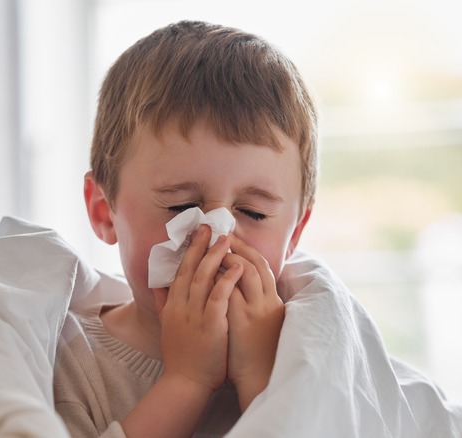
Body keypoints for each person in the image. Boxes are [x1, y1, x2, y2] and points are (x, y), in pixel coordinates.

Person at [53, 20, 317, 437]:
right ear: (105, 212)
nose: (217, 237)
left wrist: (264, 383)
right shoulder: (71, 365)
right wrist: (186, 382)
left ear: (296, 233)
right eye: (182, 206)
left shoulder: (309, 356)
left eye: (253, 211)